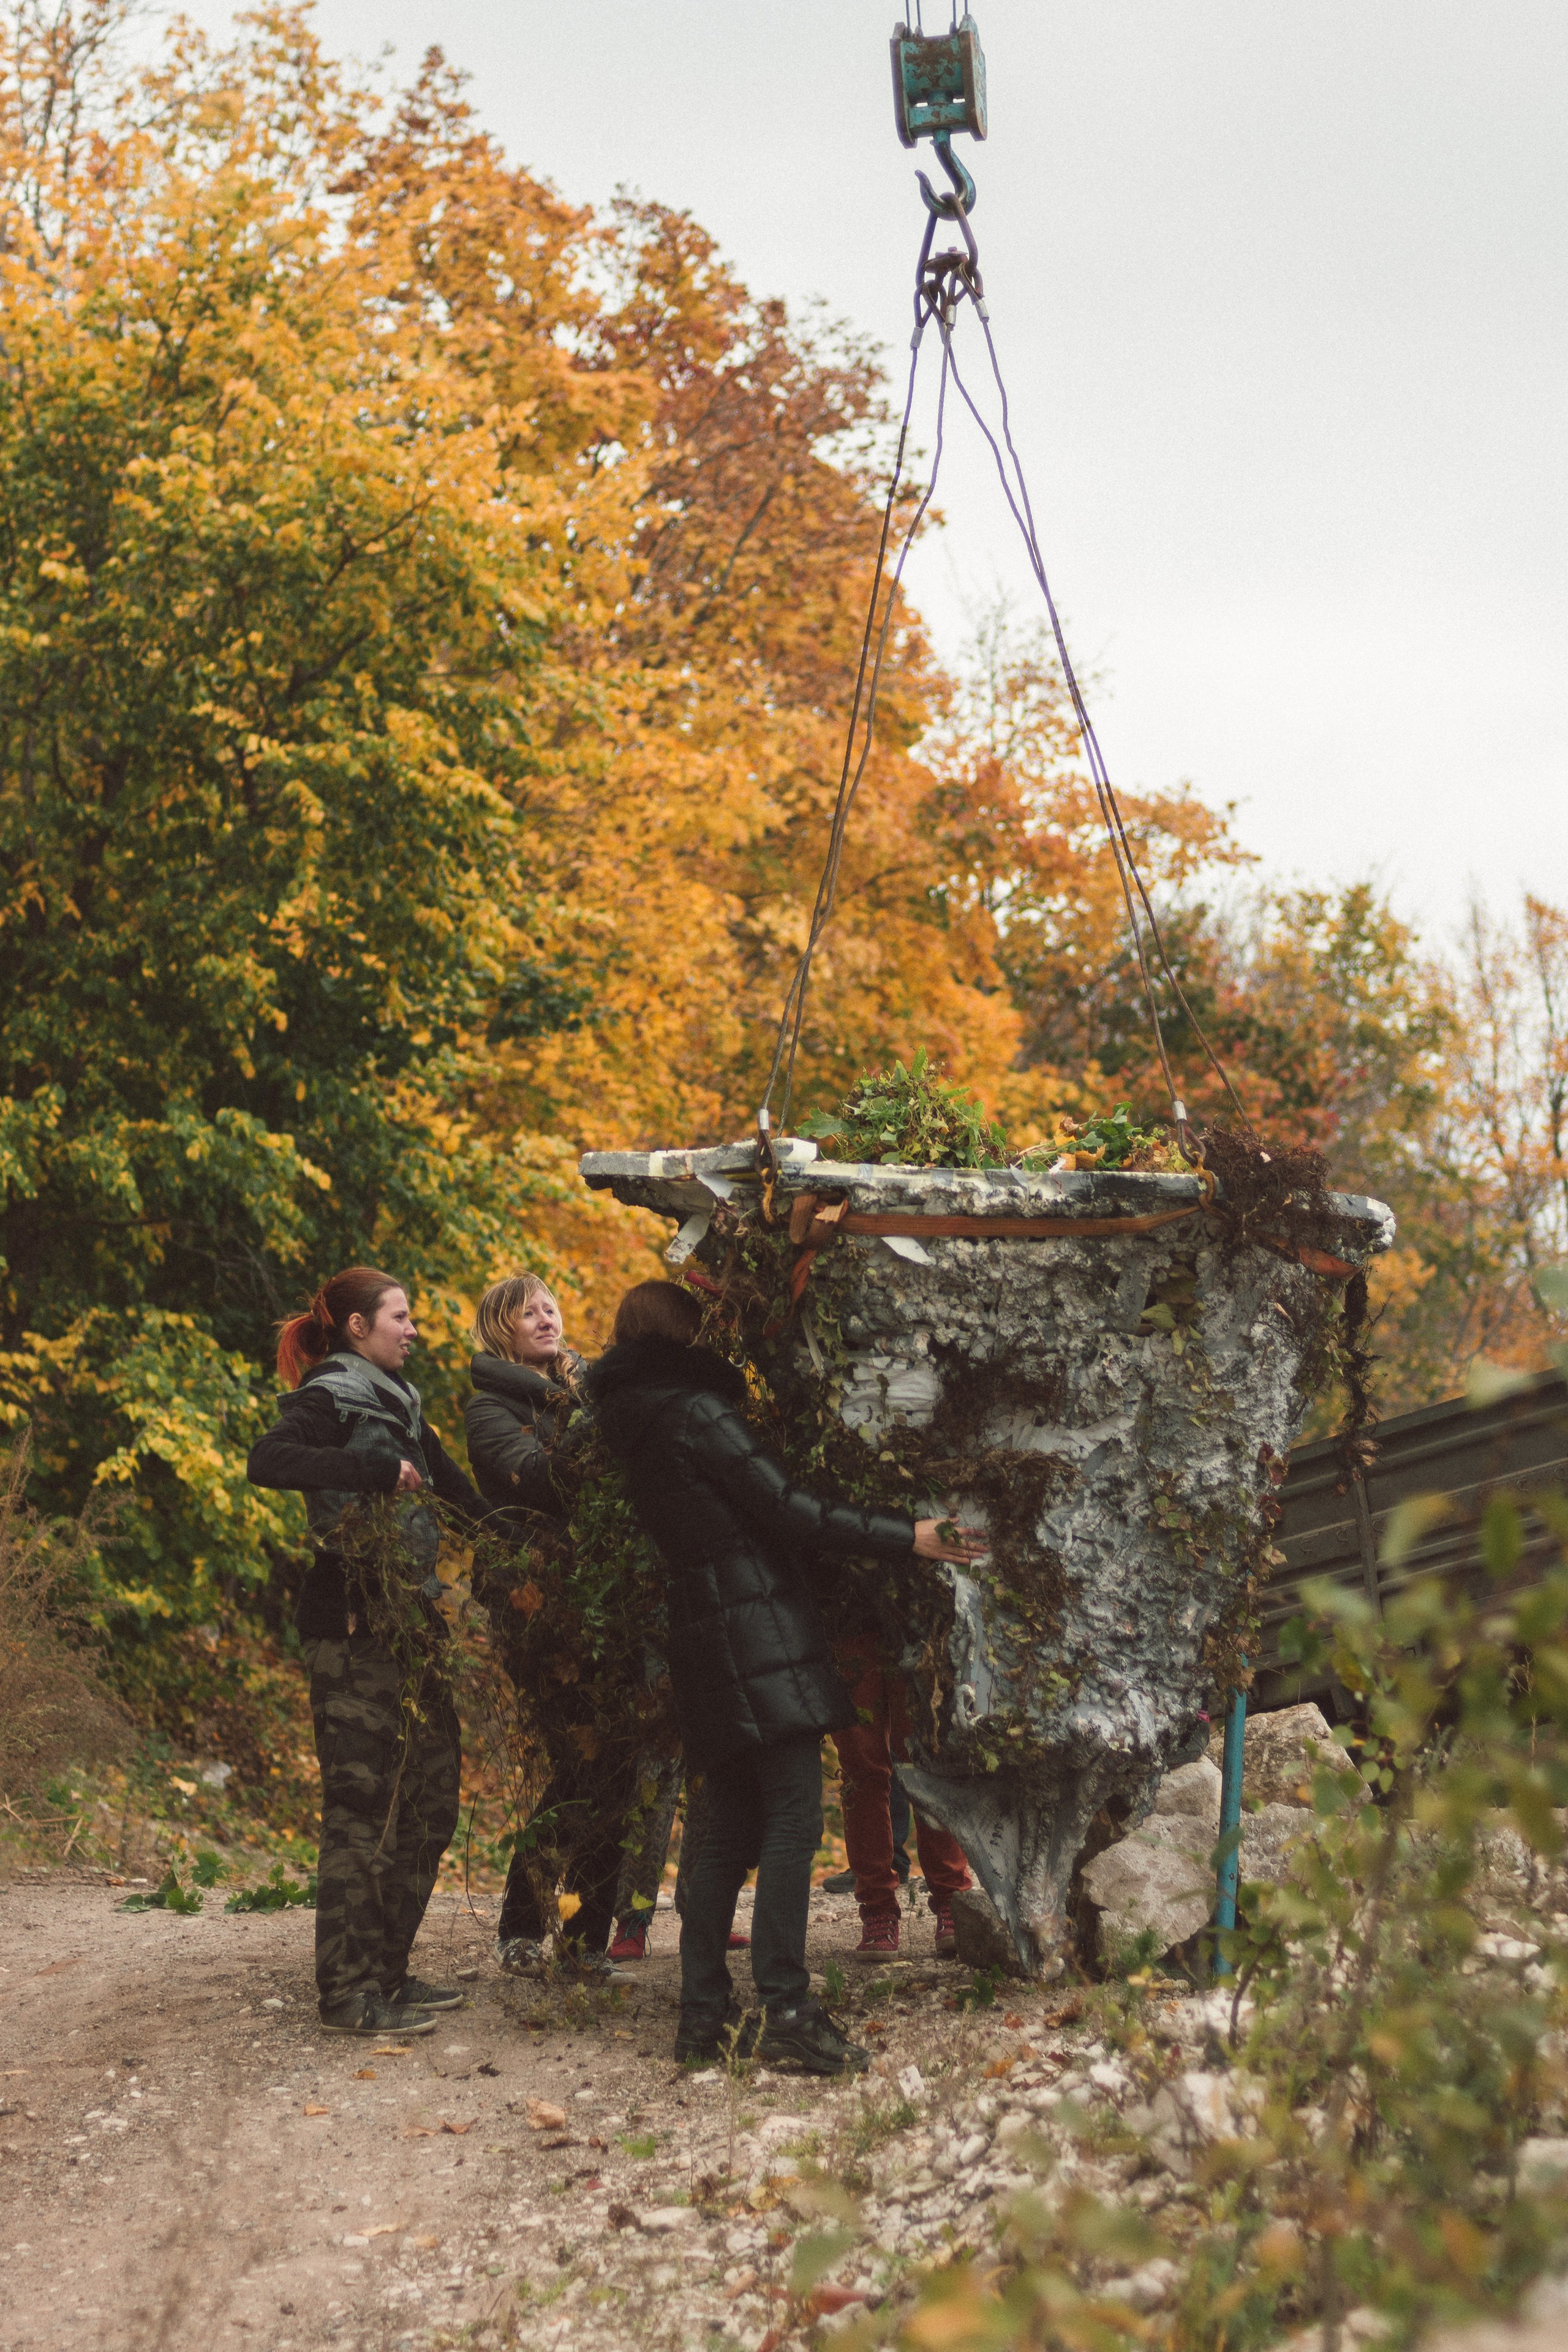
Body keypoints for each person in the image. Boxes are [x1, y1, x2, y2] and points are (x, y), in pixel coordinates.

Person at [589, 1280, 986, 2076]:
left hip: (703, 1635)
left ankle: (703, 2016)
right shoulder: (698, 1414)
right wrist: (909, 1536)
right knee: (794, 1819)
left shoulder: (634, 1424)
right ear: (685, 1337)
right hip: (755, 1625)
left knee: (731, 1829)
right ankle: (788, 2010)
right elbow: (791, 1509)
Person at [247, 1267, 483, 2038]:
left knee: (433, 1803)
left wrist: (540, 1544)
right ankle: (347, 1995)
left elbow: (463, 1500)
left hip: (412, 1625)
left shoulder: (403, 1403)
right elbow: (270, 1462)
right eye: (400, 1317)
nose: (412, 1329)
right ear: (357, 1326)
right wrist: (372, 1472)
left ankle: (388, 1973)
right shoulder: (330, 1396)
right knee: (360, 1814)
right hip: (349, 1627)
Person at [465, 1271, 642, 1978]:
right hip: (535, 1604)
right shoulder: (489, 1410)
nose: (544, 1318)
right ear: (499, 1329)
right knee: (576, 1764)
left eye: (550, 1307)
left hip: (608, 1601)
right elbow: (543, 1482)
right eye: (525, 1312)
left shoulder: (591, 1390)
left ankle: (585, 1941)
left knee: (622, 1765)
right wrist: (598, 1419)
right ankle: (522, 1924)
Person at [835, 1641, 973, 1959]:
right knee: (861, 1772)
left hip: (913, 1624)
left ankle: (952, 1900)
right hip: (848, 1626)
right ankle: (877, 1907)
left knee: (928, 1759)